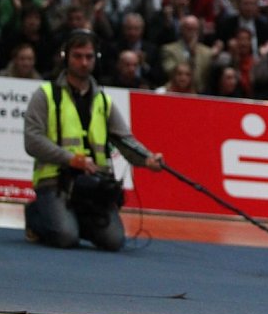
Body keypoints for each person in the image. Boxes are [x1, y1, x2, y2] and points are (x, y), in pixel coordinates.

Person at [23, 29, 163, 250]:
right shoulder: (46, 95)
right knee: (65, 238)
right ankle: (36, 215)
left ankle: (71, 220)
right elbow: (32, 140)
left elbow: (125, 140)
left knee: (115, 242)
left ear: (96, 59)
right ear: (65, 57)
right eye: (78, 56)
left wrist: (147, 159)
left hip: (94, 185)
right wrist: (71, 159)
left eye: (89, 57)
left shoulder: (104, 101)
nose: (84, 62)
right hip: (56, 181)